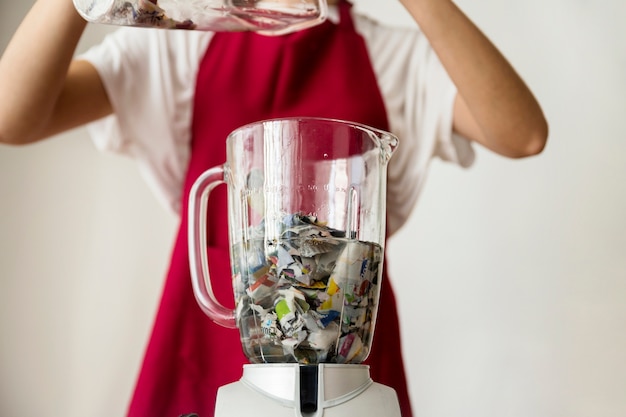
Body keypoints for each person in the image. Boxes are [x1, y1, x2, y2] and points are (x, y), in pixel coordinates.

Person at [0, 0, 548, 416]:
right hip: (203, 343)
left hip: (347, 350)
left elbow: (522, 134)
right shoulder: (178, 43)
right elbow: (13, 115)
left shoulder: (391, 58)